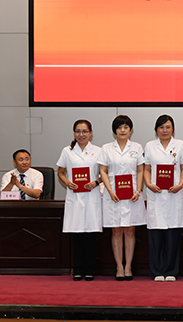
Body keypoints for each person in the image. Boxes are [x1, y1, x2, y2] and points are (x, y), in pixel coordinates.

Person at [98, 115, 146, 281]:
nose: (123, 130)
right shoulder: (106, 148)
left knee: (130, 230)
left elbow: (141, 170)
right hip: (114, 194)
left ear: (130, 130)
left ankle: (128, 266)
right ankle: (119, 266)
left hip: (132, 194)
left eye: (126, 127)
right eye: (119, 127)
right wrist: (110, 191)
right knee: (116, 230)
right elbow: (103, 170)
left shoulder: (137, 147)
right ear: (114, 131)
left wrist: (138, 190)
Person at [143, 115, 183, 282]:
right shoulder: (150, 146)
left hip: (173, 194)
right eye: (161, 127)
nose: (164, 130)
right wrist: (149, 184)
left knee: (172, 235)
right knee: (156, 236)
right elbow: (146, 169)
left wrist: (180, 184)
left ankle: (171, 271)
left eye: (168, 127)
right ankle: (157, 271)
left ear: (173, 129)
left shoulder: (180, 145)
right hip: (155, 194)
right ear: (156, 130)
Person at [56, 120, 103, 281]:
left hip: (92, 196)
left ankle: (90, 269)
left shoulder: (98, 151)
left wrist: (95, 182)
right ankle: (77, 269)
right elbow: (60, 172)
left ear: (90, 133)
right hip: (75, 197)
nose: (81, 135)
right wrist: (67, 182)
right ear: (74, 133)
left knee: (90, 235)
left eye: (84, 131)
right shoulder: (67, 151)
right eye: (78, 131)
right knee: (77, 235)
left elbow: (104, 173)